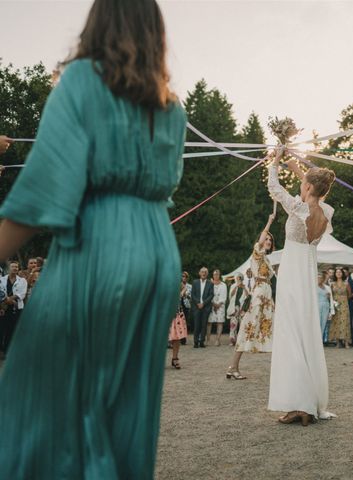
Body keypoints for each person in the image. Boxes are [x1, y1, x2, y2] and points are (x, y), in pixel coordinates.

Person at [0, 1, 186, 477]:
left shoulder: (83, 82)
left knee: (49, 394)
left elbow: (42, 192)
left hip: (102, 247)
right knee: (126, 406)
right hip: (157, 251)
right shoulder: (171, 106)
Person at [267, 150, 336, 426]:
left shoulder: (297, 207)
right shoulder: (325, 211)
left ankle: (300, 404)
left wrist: (274, 161)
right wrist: (294, 165)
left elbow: (274, 187)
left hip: (293, 271)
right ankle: (308, 403)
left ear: (308, 187)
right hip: (308, 271)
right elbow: (313, 191)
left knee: (290, 335)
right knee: (305, 334)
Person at [227, 214, 276, 379]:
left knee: (271, 330)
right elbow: (260, 241)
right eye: (266, 239)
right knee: (248, 328)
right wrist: (269, 221)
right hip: (259, 295)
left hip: (267, 297)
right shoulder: (257, 252)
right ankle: (233, 367)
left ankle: (233, 367)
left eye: (270, 240)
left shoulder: (268, 260)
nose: (268, 241)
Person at [0, 261, 26, 356]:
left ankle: (7, 351)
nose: (15, 268)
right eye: (13, 266)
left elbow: (22, 294)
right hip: (3, 308)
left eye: (16, 267)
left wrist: (9, 299)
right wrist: (5, 300)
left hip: (16, 308)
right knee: (1, 329)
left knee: (11, 330)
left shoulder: (22, 280)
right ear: (9, 268)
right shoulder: (2, 279)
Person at [328, 267, 351, 348]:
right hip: (335, 305)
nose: (338, 273)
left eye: (340, 272)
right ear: (335, 274)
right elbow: (330, 295)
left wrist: (343, 299)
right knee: (336, 322)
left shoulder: (346, 283)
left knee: (345, 322)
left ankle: (346, 342)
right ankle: (337, 342)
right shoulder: (332, 284)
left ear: (342, 274)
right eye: (337, 272)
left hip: (344, 304)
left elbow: (350, 294)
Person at [191, 267, 213, 348]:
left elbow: (211, 295)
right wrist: (198, 303)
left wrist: (203, 303)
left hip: (205, 307)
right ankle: (196, 342)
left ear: (207, 274)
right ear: (199, 273)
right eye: (202, 272)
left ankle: (202, 342)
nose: (203, 273)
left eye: (205, 272)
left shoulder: (210, 283)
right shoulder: (195, 282)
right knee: (197, 325)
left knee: (204, 325)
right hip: (196, 307)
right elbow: (192, 294)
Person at [168, 284, 188, 370]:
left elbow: (184, 287)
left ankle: (175, 358)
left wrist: (181, 293)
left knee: (176, 337)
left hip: (176, 311)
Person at [226, 273, 248, 346]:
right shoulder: (233, 286)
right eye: (238, 278)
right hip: (234, 307)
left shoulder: (245, 286)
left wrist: (244, 288)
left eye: (240, 278)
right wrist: (236, 286)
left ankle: (242, 341)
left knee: (242, 324)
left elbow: (248, 296)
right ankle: (232, 340)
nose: (239, 279)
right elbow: (230, 295)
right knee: (233, 324)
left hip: (242, 308)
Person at [207, 269, 227, 346]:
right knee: (209, 323)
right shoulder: (210, 284)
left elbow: (224, 296)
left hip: (220, 306)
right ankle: (207, 340)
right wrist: (213, 304)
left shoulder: (223, 285)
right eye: (214, 274)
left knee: (220, 322)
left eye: (217, 274)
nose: (216, 276)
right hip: (211, 305)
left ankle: (218, 340)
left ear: (219, 275)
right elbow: (208, 294)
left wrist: (218, 304)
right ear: (213, 275)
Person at [317, 271, 332, 344]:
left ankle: (320, 341)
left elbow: (330, 298)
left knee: (323, 324)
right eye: (317, 277)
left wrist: (328, 297)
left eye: (320, 278)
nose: (319, 279)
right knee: (317, 323)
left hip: (326, 306)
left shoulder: (326, 287)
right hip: (318, 306)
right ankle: (316, 341)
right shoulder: (313, 287)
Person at [179, 271, 192, 344]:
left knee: (185, 322)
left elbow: (190, 297)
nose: (183, 277)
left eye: (184, 276)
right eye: (182, 276)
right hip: (178, 304)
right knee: (178, 321)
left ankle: (183, 339)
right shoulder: (177, 284)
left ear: (187, 278)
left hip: (186, 305)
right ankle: (178, 337)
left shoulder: (190, 286)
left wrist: (184, 294)